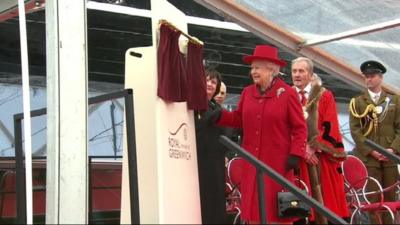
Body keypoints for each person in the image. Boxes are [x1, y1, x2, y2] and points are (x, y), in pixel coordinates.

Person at [214, 44, 308, 224]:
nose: (253, 71)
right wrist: (217, 113)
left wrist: (296, 154)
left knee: (278, 211)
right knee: (254, 211)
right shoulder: (247, 93)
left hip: (277, 165)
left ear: (271, 69)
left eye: (257, 67)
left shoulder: (287, 94)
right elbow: (238, 119)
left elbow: (299, 128)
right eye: (252, 68)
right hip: (251, 163)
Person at [291, 57, 349, 224]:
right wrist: (302, 149)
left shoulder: (324, 95)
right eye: (294, 71)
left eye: (301, 71)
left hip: (321, 159)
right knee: (300, 209)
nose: (297, 75)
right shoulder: (287, 96)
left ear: (310, 74)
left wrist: (313, 146)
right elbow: (283, 127)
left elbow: (331, 126)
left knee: (327, 205)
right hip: (298, 159)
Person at [349, 60, 400, 224]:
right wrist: (370, 151)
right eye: (366, 77)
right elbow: (355, 130)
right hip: (369, 158)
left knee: (391, 200)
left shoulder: (394, 101)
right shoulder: (357, 102)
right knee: (373, 200)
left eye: (372, 76)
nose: (368, 79)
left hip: (390, 157)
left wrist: (392, 149)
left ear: (380, 78)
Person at [195, 69, 227, 224]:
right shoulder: (192, 104)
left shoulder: (216, 108)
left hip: (216, 162)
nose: (209, 83)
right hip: (199, 162)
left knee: (216, 202)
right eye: (206, 80)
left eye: (213, 82)